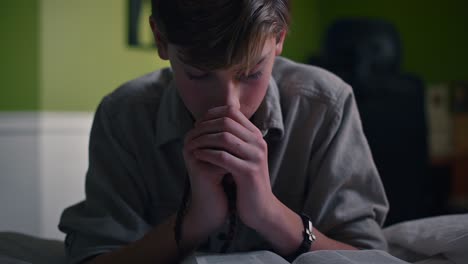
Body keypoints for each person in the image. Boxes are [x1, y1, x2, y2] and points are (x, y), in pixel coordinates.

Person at [59, 0, 389, 263]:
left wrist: (268, 213)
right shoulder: (124, 116)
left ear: (279, 39)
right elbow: (95, 254)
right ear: (161, 40)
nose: (229, 106)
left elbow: (369, 256)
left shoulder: (325, 107)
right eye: (199, 75)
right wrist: (194, 221)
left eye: (251, 73)